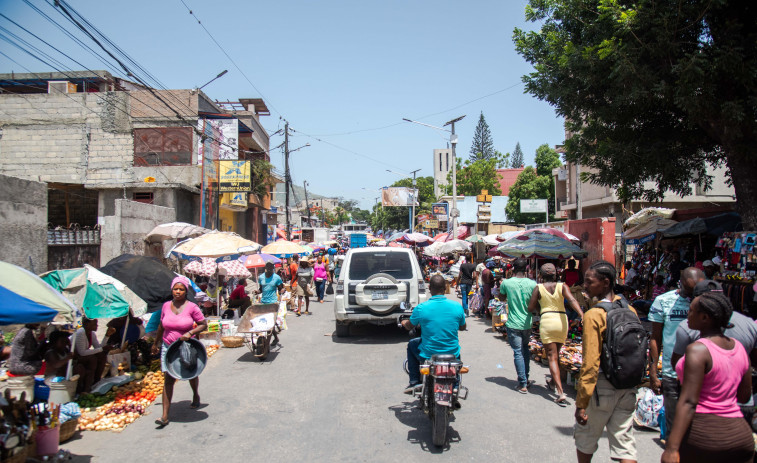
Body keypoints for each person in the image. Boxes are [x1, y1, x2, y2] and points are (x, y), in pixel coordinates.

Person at [661, 291, 754, 463]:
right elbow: (744, 396)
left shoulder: (698, 350)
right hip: (740, 435)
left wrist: (672, 448)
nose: (687, 315)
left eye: (691, 311)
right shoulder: (739, 348)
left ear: (704, 317)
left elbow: (689, 401)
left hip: (705, 435)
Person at [574, 261, 638, 463]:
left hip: (602, 388)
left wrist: (582, 402)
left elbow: (591, 363)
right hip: (628, 385)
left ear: (605, 283)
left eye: (589, 282)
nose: (585, 286)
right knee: (625, 445)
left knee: (586, 439)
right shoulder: (631, 310)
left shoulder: (594, 315)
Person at [648, 267, 705, 438]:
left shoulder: (707, 303)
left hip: (702, 374)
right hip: (671, 373)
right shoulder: (663, 301)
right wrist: (652, 370)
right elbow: (655, 337)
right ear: (680, 283)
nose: (691, 296)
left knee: (697, 427)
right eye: (688, 291)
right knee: (673, 425)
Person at [150, 276, 208, 428]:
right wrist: (156, 343)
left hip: (187, 347)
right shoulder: (165, 306)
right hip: (168, 346)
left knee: (191, 373)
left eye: (181, 289)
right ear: (172, 290)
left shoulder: (192, 307)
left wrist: (190, 333)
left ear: (186, 291)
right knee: (168, 379)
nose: (178, 292)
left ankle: (195, 394)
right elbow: (161, 326)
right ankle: (164, 416)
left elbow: (203, 324)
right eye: (175, 289)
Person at [527, 263, 584, 406]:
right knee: (557, 354)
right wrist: (582, 314)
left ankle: (560, 392)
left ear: (540, 275)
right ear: (556, 274)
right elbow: (572, 300)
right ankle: (552, 382)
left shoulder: (538, 288)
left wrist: (541, 307)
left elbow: (531, 307)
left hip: (547, 321)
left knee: (552, 357)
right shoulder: (562, 286)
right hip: (561, 321)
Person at [401, 274, 466, 393]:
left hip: (428, 354)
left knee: (412, 344)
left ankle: (414, 381)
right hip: (452, 353)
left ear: (429, 288)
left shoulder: (421, 308)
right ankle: (455, 383)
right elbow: (462, 327)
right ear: (445, 288)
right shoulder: (457, 306)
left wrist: (403, 321)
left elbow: (409, 326)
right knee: (456, 352)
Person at [500, 258, 537, 394]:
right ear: (526, 269)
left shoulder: (507, 283)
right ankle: (525, 378)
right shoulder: (533, 284)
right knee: (525, 350)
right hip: (527, 322)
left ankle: (522, 383)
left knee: (518, 352)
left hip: (514, 323)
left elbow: (501, 298)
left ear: (513, 269)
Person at [74, 318, 111, 393]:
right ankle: (87, 386)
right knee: (92, 358)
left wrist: (107, 335)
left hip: (82, 356)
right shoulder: (80, 333)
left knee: (102, 356)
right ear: (87, 324)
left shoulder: (92, 334)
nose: (97, 325)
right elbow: (82, 352)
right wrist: (102, 349)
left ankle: (97, 380)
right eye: (94, 324)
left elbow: (98, 347)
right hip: (75, 357)